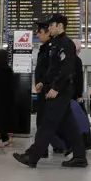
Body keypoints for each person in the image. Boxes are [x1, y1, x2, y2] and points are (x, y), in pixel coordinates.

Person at [13, 14, 87, 168]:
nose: (50, 28)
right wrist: (43, 83)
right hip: (55, 88)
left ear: (60, 26)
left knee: (47, 123)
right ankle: (80, 157)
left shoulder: (66, 44)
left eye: (52, 26)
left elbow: (66, 69)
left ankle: (32, 157)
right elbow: (53, 69)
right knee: (70, 126)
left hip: (61, 91)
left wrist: (55, 88)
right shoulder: (55, 43)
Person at [34, 22, 66, 156]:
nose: (37, 35)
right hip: (44, 88)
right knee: (48, 120)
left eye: (40, 32)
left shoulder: (52, 48)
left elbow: (53, 69)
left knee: (44, 120)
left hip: (48, 89)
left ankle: (40, 150)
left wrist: (42, 82)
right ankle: (58, 146)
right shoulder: (44, 48)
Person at [72, 39, 91, 150]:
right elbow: (79, 79)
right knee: (83, 119)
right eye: (79, 50)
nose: (79, 52)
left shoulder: (65, 60)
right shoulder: (77, 61)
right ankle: (87, 143)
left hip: (67, 96)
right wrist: (79, 95)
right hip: (75, 97)